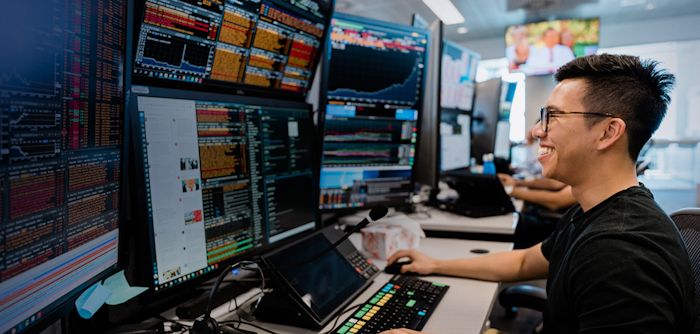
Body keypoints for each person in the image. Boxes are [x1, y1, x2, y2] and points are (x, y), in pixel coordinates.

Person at [381, 54, 698, 333]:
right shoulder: (591, 209)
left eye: (553, 116)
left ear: (608, 132)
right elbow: (522, 264)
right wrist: (434, 264)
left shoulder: (622, 253)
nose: (536, 130)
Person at [498, 172, 576, 248]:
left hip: (556, 226)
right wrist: (516, 182)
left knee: (504, 228)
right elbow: (554, 183)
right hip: (545, 215)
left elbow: (557, 200)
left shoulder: (586, 176)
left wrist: (510, 191)